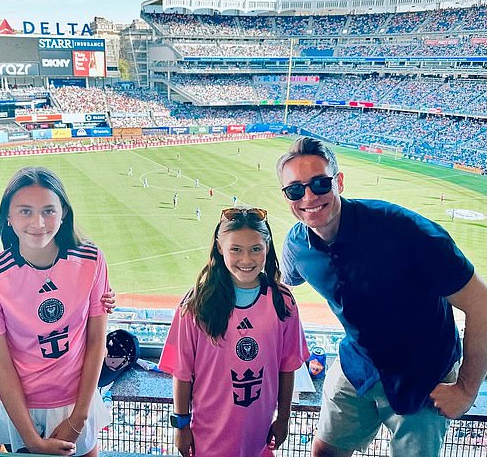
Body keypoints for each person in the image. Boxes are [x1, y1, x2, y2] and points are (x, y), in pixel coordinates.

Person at [276, 137, 487, 457]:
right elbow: (278, 288)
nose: (308, 196)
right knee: (324, 453)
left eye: (320, 183)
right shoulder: (297, 245)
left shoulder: (404, 230)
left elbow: (480, 302)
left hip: (423, 378)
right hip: (357, 367)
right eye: (295, 189)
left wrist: (466, 390)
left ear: (339, 182)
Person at [0, 167, 111, 456]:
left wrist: (78, 418)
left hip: (76, 402)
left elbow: (97, 341)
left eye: (49, 211)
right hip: (19, 410)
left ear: (64, 213)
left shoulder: (91, 259)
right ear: (8, 217)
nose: (38, 222)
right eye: (25, 211)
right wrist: (31, 439)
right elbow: (1, 363)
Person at [159, 206, 309, 457]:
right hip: (207, 438)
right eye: (236, 249)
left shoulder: (282, 302)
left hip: (258, 439)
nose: (247, 260)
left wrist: (283, 418)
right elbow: (182, 372)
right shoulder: (196, 303)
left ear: (268, 247)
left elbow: (287, 366)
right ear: (220, 248)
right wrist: (181, 425)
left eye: (256, 249)